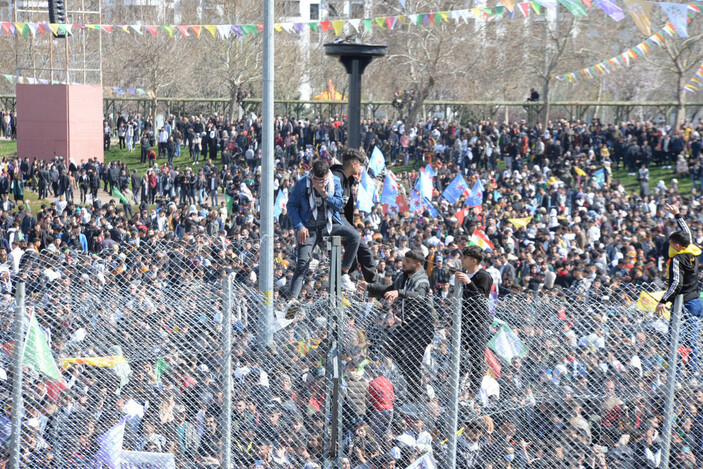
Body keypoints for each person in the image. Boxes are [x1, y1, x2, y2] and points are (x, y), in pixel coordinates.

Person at [359, 248, 435, 403]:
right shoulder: (403, 277)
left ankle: (417, 394)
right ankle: (416, 391)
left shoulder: (421, 279)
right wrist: (369, 287)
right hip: (408, 325)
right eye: (404, 261)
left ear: (418, 264)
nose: (404, 264)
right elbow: (389, 290)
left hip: (422, 327)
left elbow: (418, 296)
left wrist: (399, 293)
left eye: (408, 262)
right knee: (390, 347)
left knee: (412, 361)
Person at [286, 159, 360, 298]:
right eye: (316, 180)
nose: (319, 183)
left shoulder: (335, 182)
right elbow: (291, 206)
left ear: (328, 175)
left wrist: (324, 194)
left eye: (322, 180)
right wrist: (299, 226)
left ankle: (344, 273)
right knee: (302, 263)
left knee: (355, 237)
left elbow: (338, 205)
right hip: (308, 228)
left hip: (330, 224)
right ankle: (292, 302)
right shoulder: (302, 183)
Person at [656, 203, 703, 374]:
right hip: (696, 301)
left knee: (675, 338)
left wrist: (663, 300)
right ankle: (693, 372)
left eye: (671, 243)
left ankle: (675, 373)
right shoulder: (691, 252)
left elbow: (676, 283)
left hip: (683, 303)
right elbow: (687, 235)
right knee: (692, 339)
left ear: (676, 245)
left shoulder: (677, 260)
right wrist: (677, 215)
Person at [331, 148, 378, 283]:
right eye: (360, 164)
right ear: (353, 164)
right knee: (356, 240)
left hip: (344, 220)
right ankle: (345, 274)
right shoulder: (336, 178)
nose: (361, 168)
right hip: (334, 219)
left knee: (365, 251)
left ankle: (373, 286)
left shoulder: (348, 180)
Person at [455, 245, 494, 404]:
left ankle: (472, 395)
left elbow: (481, 299)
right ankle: (457, 390)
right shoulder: (463, 274)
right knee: (458, 356)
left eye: (464, 257)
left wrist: (468, 282)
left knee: (477, 358)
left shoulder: (483, 276)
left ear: (474, 260)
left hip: (478, 322)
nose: (462, 260)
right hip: (463, 321)